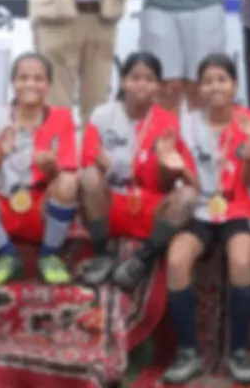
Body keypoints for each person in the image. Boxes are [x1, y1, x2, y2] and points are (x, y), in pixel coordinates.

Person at [163, 55, 250, 385]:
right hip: (200, 209)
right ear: (199, 88)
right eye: (207, 81)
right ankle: (188, 353)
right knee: (177, 261)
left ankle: (238, 352)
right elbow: (181, 178)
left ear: (234, 85)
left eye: (222, 80)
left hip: (238, 207)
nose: (215, 87)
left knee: (241, 261)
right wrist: (172, 165)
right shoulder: (187, 124)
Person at [0, 53, 80, 287]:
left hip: (40, 207)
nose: (30, 84)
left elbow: (64, 182)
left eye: (38, 79)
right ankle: (7, 256)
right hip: (3, 205)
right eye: (23, 78)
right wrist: (0, 154)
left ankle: (49, 255)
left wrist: (51, 168)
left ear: (48, 85)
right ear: (13, 83)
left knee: (69, 181)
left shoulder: (62, 118)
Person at [76, 52, 199, 287]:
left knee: (188, 197)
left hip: (149, 206)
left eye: (149, 79)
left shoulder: (168, 122)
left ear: (158, 86)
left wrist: (171, 167)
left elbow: (189, 184)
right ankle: (102, 254)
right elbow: (88, 163)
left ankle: (143, 259)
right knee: (89, 177)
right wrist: (106, 167)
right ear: (123, 82)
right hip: (110, 203)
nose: (142, 84)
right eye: (135, 77)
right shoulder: (104, 115)